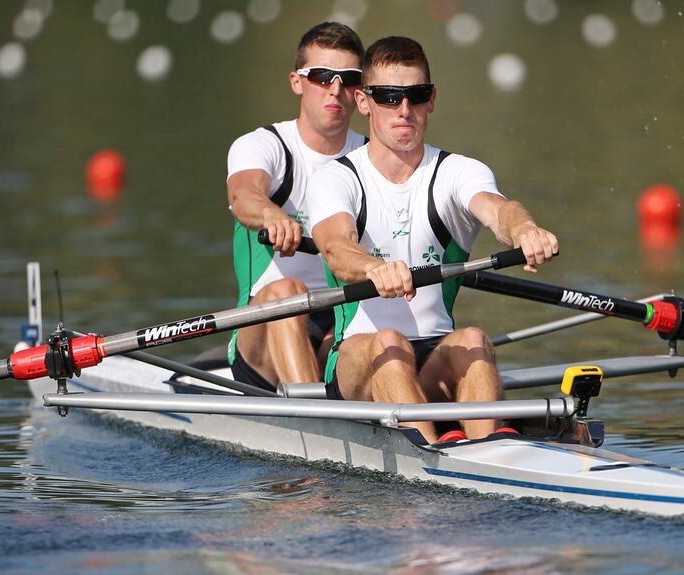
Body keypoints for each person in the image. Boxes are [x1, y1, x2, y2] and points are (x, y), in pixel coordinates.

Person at [307, 36, 558, 443]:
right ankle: (430, 472)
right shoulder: (337, 178)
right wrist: (374, 268)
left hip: (432, 355)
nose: (404, 110)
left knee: (474, 340)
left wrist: (525, 230)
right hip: (358, 358)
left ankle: (487, 458)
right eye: (389, 97)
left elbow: (499, 210)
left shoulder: (457, 171)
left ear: (432, 99)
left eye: (416, 95)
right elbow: (336, 247)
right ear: (364, 101)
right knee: (388, 342)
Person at [226, 22, 366, 391]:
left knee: (378, 321)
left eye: (348, 78)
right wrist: (273, 215)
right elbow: (243, 195)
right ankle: (320, 419)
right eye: (321, 76)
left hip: (338, 316)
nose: (335, 90)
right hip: (265, 325)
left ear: (361, 91)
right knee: (288, 289)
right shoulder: (264, 145)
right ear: (296, 82)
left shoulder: (372, 158)